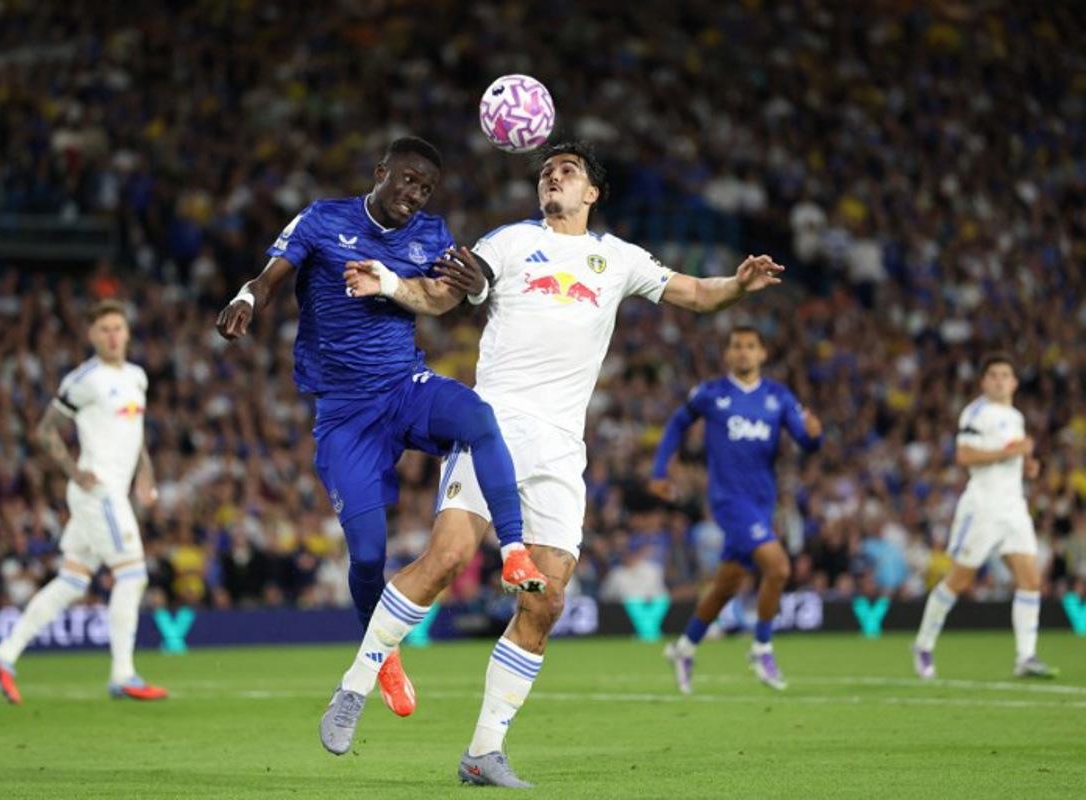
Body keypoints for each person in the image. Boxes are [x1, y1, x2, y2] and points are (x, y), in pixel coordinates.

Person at [323, 141, 785, 787]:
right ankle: (355, 684)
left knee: (547, 600)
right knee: (450, 557)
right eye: (546, 171)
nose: (553, 176)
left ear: (591, 192)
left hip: (564, 448)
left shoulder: (617, 258)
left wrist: (738, 284)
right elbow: (446, 293)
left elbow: (697, 294)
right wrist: (394, 284)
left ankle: (484, 751)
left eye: (566, 171)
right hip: (495, 425)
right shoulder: (511, 242)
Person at [214, 137, 547, 718]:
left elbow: (446, 295)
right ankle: (382, 655)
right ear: (381, 173)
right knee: (368, 556)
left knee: (479, 417)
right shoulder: (324, 219)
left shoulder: (431, 233)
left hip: (403, 387)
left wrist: (476, 285)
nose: (414, 196)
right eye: (408, 181)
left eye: (425, 188)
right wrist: (248, 296)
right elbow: (271, 276)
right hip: (344, 412)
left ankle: (513, 551)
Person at [0, 299, 166, 704]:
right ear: (92, 336)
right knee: (133, 575)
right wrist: (74, 471)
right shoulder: (85, 379)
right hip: (97, 491)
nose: (113, 335)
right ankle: (123, 674)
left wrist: (145, 475)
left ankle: (3, 654)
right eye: (105, 329)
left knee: (72, 580)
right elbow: (45, 430)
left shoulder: (136, 377)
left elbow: (135, 434)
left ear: (128, 333)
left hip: (113, 491)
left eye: (118, 327)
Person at [651, 327, 822, 693]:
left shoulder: (778, 396)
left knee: (726, 586)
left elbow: (806, 441)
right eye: (736, 347)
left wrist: (814, 434)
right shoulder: (712, 394)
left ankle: (683, 648)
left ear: (762, 354)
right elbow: (678, 423)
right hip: (729, 500)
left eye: (750, 346)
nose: (743, 352)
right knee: (778, 566)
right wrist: (659, 469)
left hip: (763, 501)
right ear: (728, 355)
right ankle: (762, 647)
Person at [911, 354, 1057, 679]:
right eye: (993, 375)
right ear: (983, 382)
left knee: (1031, 580)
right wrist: (1009, 453)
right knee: (960, 581)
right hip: (983, 506)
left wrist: (1027, 467)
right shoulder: (976, 412)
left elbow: (1014, 459)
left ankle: (1026, 656)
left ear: (1015, 382)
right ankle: (923, 644)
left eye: (1005, 375)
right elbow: (964, 455)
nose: (999, 380)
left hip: (1013, 507)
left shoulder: (1016, 417)